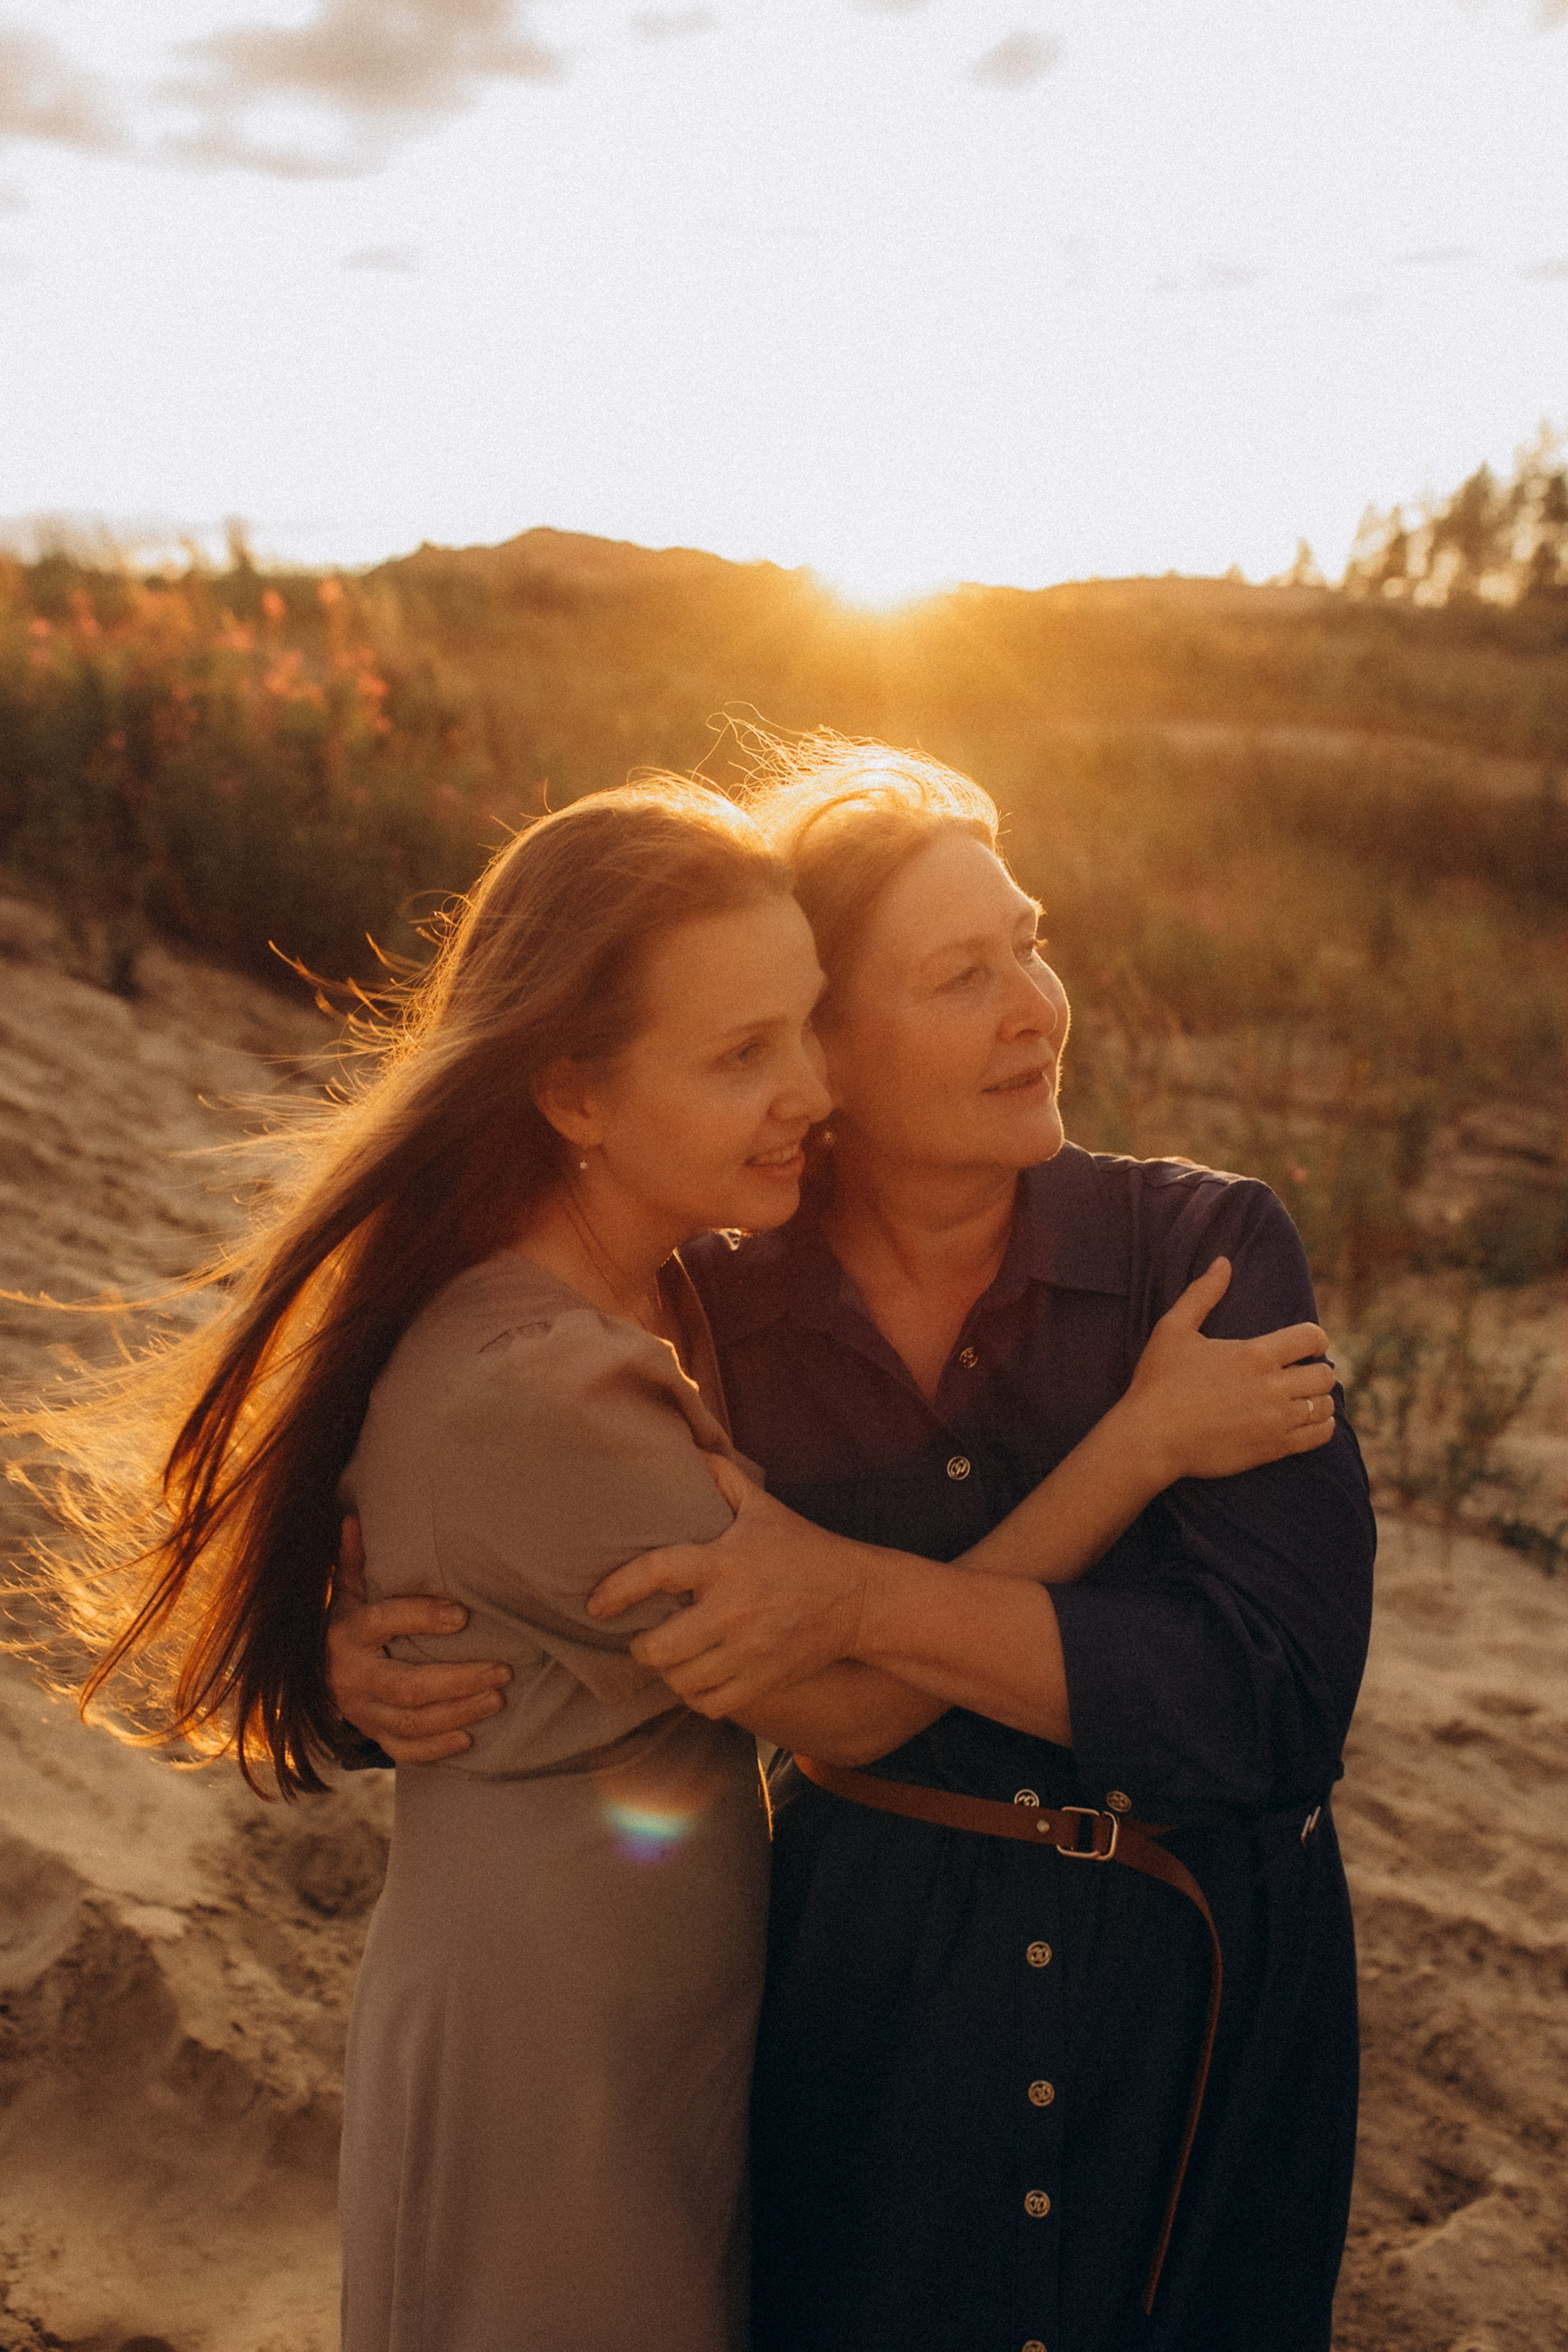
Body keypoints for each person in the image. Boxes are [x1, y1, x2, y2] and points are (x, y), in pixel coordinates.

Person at [7, 772, 1336, 2352]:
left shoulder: (678, 1300)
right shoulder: (613, 1349)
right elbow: (830, 1702)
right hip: (585, 2049)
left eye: (1026, 945)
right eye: (749, 1053)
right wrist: (1134, 1451)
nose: (809, 1091)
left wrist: (368, 1649)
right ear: (576, 1094)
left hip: (729, 2032)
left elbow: (1278, 1697)